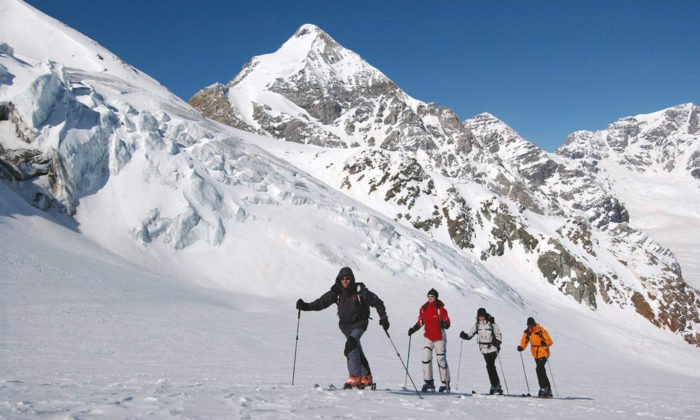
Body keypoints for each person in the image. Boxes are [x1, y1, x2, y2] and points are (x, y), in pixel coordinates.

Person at [296, 267, 389, 389]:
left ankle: (354, 377)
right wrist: (305, 306)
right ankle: (366, 377)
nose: (345, 281)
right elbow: (321, 303)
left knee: (350, 346)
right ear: (339, 280)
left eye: (348, 278)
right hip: (345, 327)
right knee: (355, 349)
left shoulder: (360, 291)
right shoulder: (337, 292)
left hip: (360, 324)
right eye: (343, 279)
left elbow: (378, 302)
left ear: (352, 278)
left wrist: (384, 318)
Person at [408, 288, 451, 392]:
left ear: (436, 297)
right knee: (426, 358)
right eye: (429, 296)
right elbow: (421, 321)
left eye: (432, 296)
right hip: (428, 337)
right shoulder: (424, 308)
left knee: (441, 359)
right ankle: (429, 382)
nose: (430, 298)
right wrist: (413, 329)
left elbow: (447, 322)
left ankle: (445, 383)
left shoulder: (441, 309)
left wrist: (444, 324)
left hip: (439, 337)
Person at [459, 307, 503, 395]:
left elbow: (498, 334)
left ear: (485, 315)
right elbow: (470, 334)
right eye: (480, 316)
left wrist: (497, 342)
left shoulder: (491, 324)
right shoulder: (477, 325)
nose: (481, 317)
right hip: (483, 349)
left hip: (493, 348)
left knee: (490, 365)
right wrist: (465, 336)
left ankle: (495, 385)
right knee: (490, 366)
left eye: (482, 316)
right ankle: (496, 385)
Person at [517, 317, 553, 397]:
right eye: (529, 325)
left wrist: (545, 343)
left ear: (534, 324)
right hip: (535, 353)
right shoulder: (527, 332)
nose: (530, 327)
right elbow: (525, 341)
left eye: (531, 325)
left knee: (539, 369)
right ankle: (546, 389)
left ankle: (544, 388)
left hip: (543, 352)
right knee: (541, 370)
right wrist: (522, 347)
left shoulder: (541, 330)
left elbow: (550, 341)